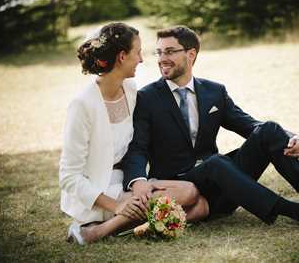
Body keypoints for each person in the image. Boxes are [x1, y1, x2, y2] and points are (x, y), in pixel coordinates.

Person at [122, 25, 299, 225]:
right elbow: (138, 147)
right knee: (217, 163)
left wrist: (293, 136)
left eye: (170, 51)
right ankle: (296, 212)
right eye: (159, 52)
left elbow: (250, 125)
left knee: (270, 129)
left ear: (191, 54)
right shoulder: (147, 97)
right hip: (183, 186)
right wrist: (138, 180)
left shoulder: (214, 92)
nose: (162, 59)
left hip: (223, 188)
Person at [59, 23, 208, 245]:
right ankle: (95, 232)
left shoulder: (129, 88)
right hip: (99, 193)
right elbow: (69, 177)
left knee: (201, 206)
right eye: (137, 52)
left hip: (127, 181)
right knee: (188, 196)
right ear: (121, 56)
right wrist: (116, 204)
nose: (141, 59)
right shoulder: (82, 104)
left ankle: (119, 227)